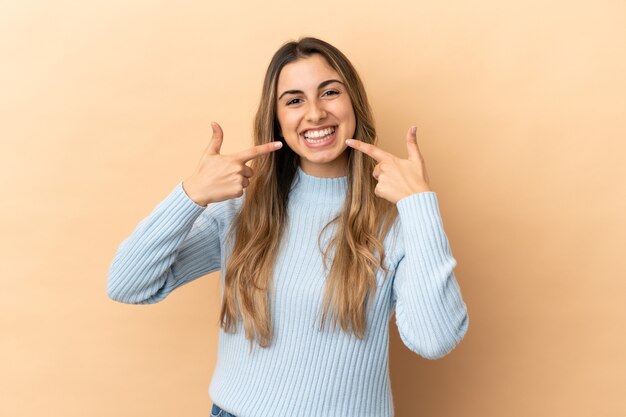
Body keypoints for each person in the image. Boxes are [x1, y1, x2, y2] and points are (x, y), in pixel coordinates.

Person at [107, 36, 469, 417]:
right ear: (278, 120)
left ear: (354, 105)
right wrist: (191, 195)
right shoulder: (242, 209)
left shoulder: (398, 219)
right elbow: (128, 284)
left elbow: (435, 339)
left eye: (329, 92)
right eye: (294, 100)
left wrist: (419, 205)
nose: (314, 114)